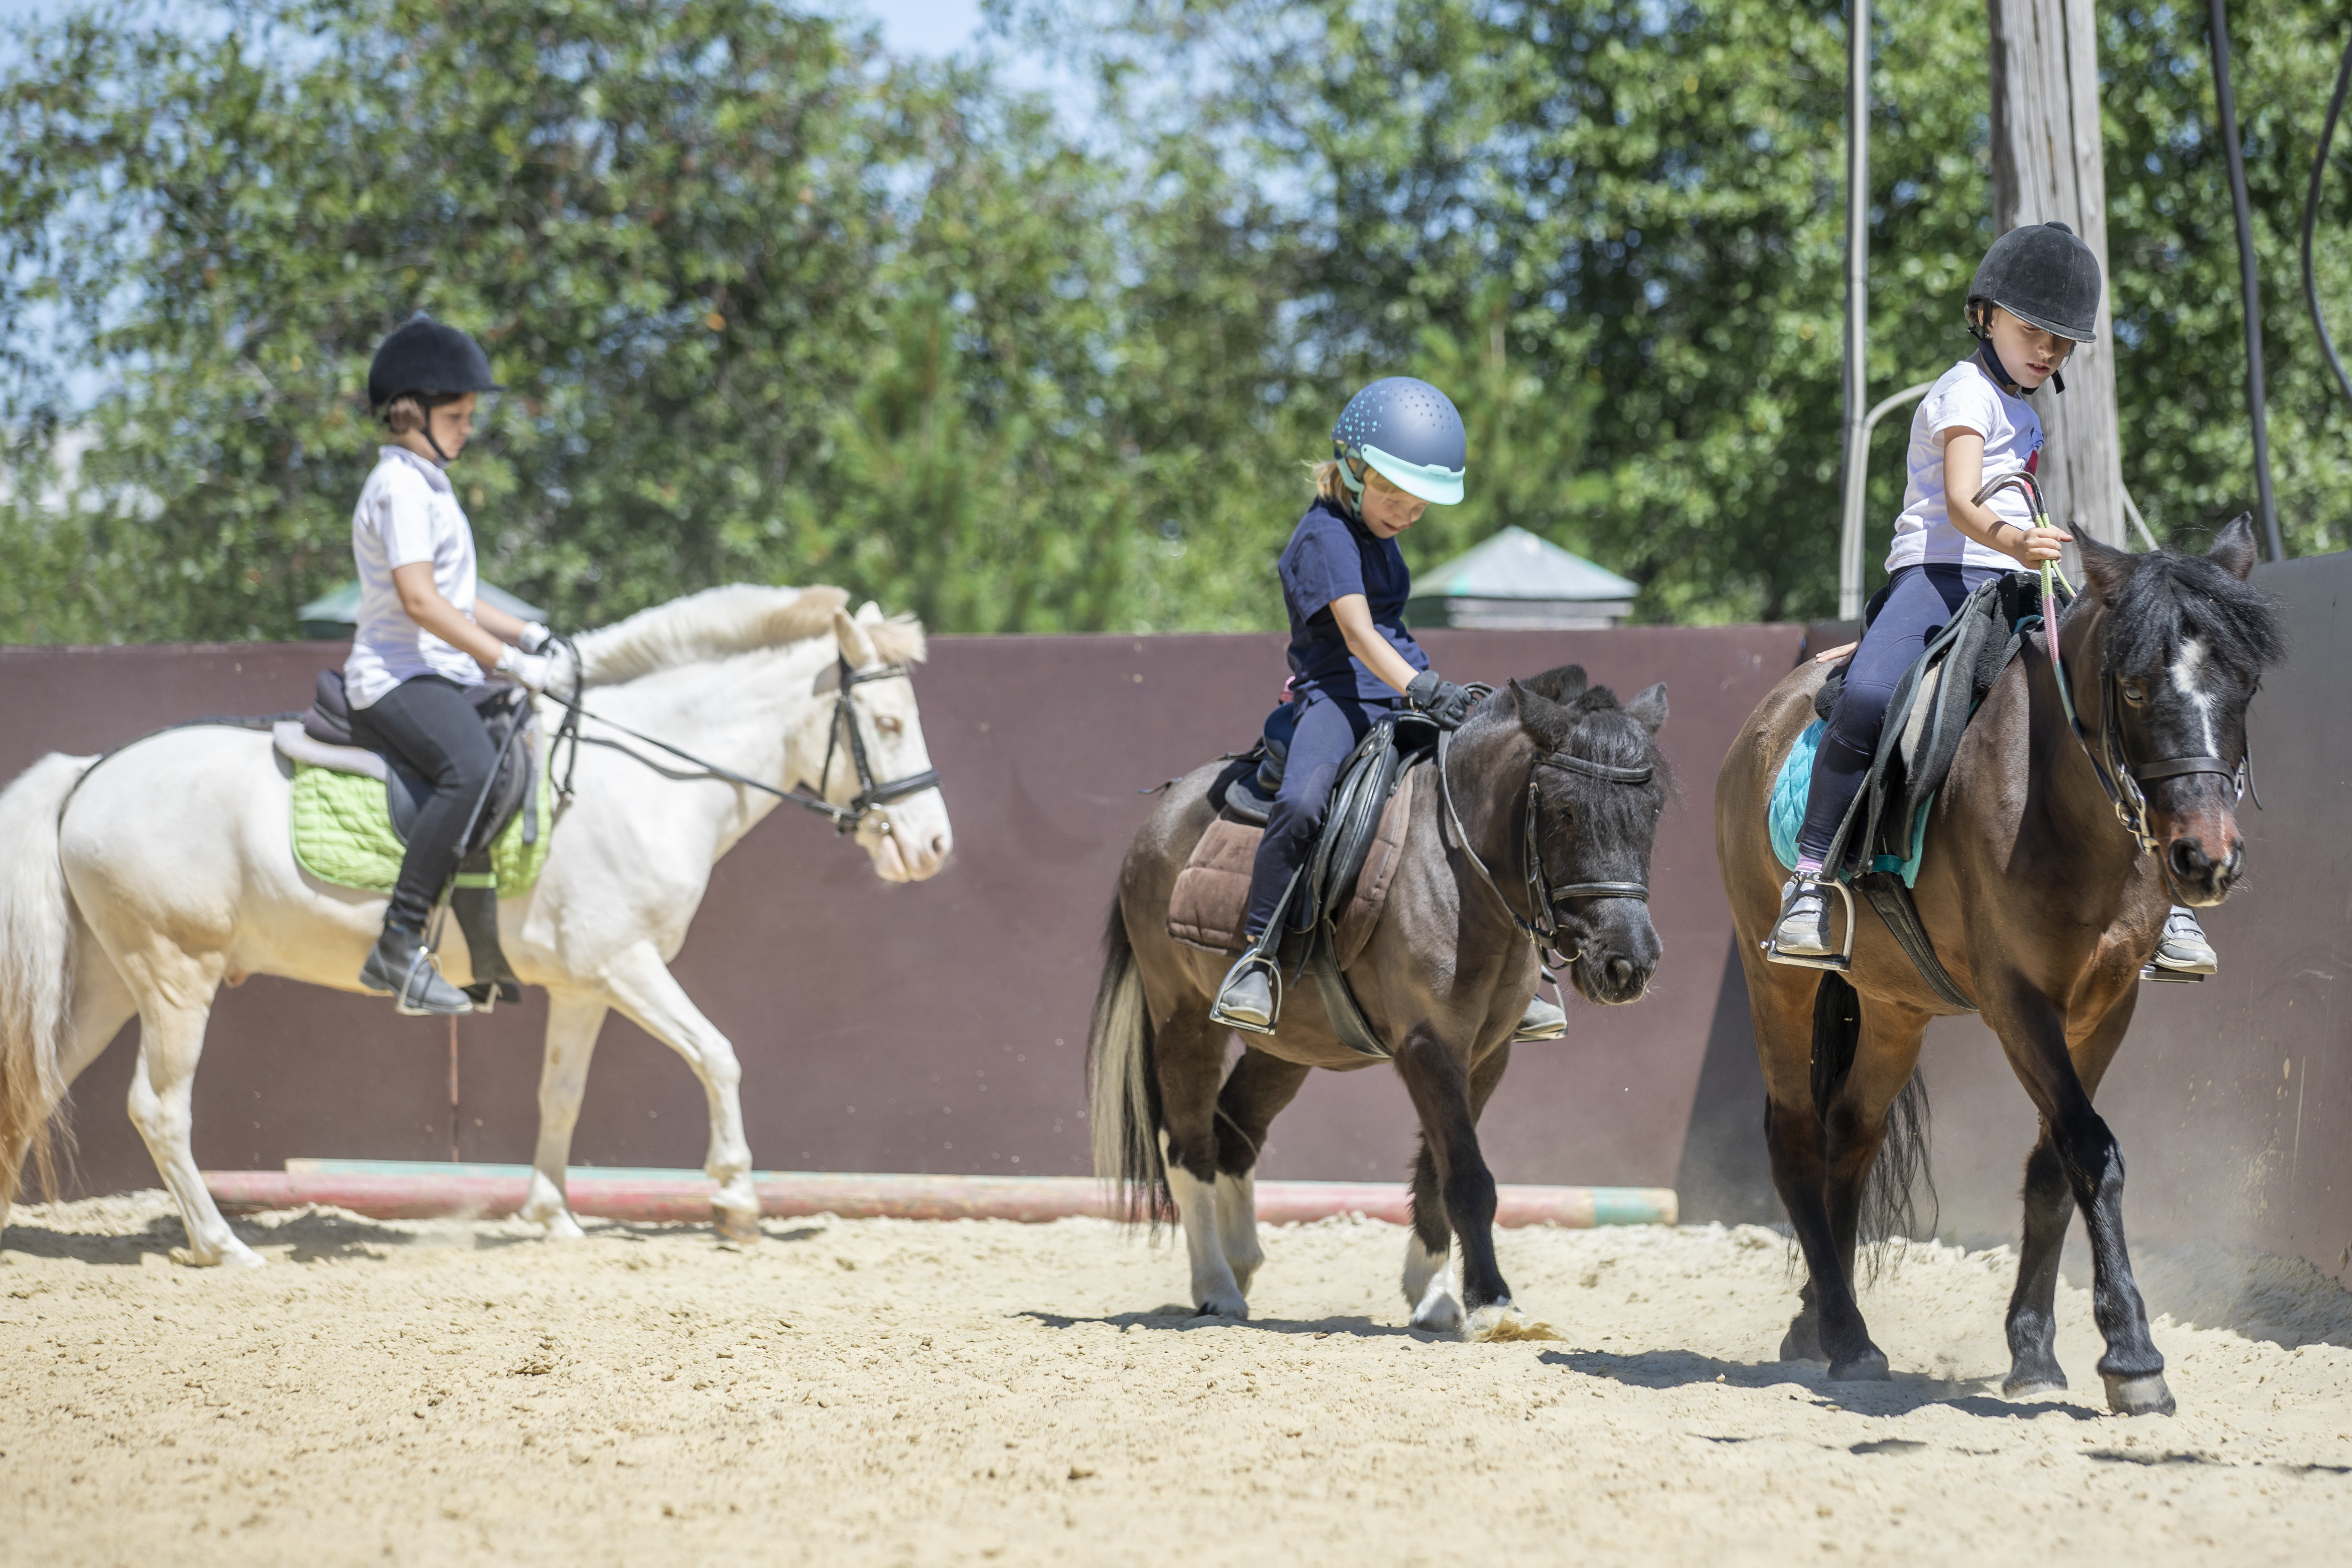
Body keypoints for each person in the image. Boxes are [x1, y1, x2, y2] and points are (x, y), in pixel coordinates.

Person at [1770, 223, 2217, 976]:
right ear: (1986, 316)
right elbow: (1960, 502)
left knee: (2116, 692)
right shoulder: (1965, 393)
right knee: (1871, 696)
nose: (2047, 352)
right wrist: (2015, 541)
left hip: (2016, 585)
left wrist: (2028, 561)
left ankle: (2165, 901)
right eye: (2033, 331)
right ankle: (1810, 883)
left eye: (2062, 344)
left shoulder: (2032, 414)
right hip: (1939, 577)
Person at [1212, 377, 1570, 1041]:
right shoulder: (1325, 536)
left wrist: (1435, 690)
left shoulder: (1382, 530)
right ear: (1352, 467)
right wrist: (1424, 690)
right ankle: (1257, 956)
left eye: (1419, 507)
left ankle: (1523, 973)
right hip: (1340, 692)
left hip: (1403, 682)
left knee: (1485, 790)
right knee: (1302, 802)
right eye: (1394, 498)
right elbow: (1357, 635)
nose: (1406, 515)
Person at [346, 315, 569, 1015]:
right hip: (396, 675)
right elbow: (419, 601)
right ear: (410, 412)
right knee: (469, 768)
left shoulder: (431, 484)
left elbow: (460, 597)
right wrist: (508, 661)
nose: (470, 427)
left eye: (472, 415)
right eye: (458, 414)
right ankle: (398, 943)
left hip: (438, 671)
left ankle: (482, 944)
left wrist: (532, 635)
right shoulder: (401, 488)